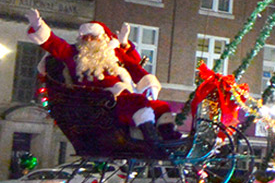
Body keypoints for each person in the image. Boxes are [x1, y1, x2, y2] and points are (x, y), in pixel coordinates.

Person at [27, 8, 178, 146]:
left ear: (103, 38)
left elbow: (134, 66)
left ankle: (169, 137)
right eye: (85, 37)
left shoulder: (112, 54)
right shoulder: (74, 54)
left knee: (161, 106)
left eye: (93, 37)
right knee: (137, 102)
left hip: (124, 96)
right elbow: (54, 44)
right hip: (101, 102)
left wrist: (148, 82)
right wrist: (39, 26)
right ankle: (151, 141)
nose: (89, 40)